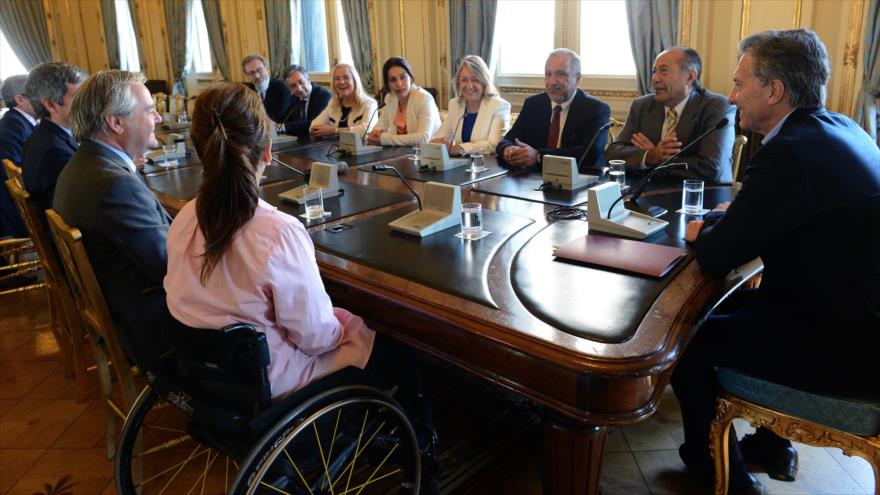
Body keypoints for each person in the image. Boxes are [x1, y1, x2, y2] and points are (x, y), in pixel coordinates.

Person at [674, 29, 880, 495]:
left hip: (841, 347)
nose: (731, 96)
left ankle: (720, 475)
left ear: (774, 90)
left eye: (739, 83)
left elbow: (716, 254)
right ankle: (770, 447)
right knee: (714, 316)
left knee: (685, 344)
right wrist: (736, 218)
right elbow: (790, 219)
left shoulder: (788, 151)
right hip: (854, 319)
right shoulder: (841, 127)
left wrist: (703, 229)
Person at [163, 83, 374, 400]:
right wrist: (347, 326)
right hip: (270, 382)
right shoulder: (278, 233)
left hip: (205, 372)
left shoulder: (183, 218)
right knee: (375, 345)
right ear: (267, 151)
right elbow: (316, 337)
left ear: (198, 149)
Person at [53, 70, 171, 370]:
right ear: (116, 122)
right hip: (152, 328)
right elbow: (172, 267)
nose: (158, 118)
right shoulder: (115, 184)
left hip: (121, 305)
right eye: (149, 110)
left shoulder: (81, 164)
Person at [606, 47, 735, 183]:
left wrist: (658, 160)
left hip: (704, 196)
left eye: (664, 71)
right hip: (649, 192)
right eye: (654, 71)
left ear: (690, 77)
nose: (655, 78)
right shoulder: (641, 106)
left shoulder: (716, 107)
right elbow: (613, 153)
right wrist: (650, 155)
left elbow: (710, 168)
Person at [496, 48, 610, 170]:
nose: (552, 82)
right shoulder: (533, 104)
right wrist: (508, 149)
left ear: (577, 79)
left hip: (579, 179)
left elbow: (590, 154)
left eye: (560, 74)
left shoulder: (596, 109)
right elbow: (508, 139)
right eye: (548, 74)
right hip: (533, 179)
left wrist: (539, 156)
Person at [21, 63, 87, 216]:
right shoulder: (53, 153)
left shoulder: (45, 135)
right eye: (80, 97)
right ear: (51, 105)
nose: (90, 103)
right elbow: (80, 211)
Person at [430, 55, 510, 156]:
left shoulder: (499, 106)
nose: (469, 86)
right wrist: (437, 143)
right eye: (464, 80)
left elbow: (494, 145)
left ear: (484, 82)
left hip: (487, 166)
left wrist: (458, 148)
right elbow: (440, 137)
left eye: (475, 80)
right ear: (459, 83)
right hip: (461, 165)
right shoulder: (455, 104)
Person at [366, 57, 440, 147]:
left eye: (403, 77)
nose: (399, 84)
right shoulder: (390, 98)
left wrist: (384, 139)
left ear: (411, 77)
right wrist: (374, 135)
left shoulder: (424, 98)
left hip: (428, 155)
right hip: (401, 154)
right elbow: (380, 126)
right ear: (387, 84)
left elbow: (423, 138)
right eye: (393, 80)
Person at [0, 75, 37, 239]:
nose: (43, 98)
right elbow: (16, 175)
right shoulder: (12, 127)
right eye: (36, 93)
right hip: (14, 214)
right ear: (20, 99)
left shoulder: (18, 121)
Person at [309, 63, 377, 139]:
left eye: (346, 77)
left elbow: (366, 131)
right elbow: (313, 126)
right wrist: (316, 130)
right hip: (337, 149)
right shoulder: (333, 103)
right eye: (337, 79)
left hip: (363, 149)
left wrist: (334, 131)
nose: (341, 82)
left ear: (355, 81)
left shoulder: (369, 104)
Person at [281, 64, 331, 139]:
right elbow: (286, 118)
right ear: (289, 89)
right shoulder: (295, 97)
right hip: (304, 140)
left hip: (322, 141)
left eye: (301, 82)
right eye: (293, 86)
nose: (299, 88)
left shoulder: (323, 96)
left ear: (308, 79)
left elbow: (313, 125)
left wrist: (283, 127)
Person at [242, 54, 291, 124]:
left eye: (259, 70)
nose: (257, 76)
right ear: (247, 76)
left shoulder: (281, 88)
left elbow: (279, 117)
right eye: (251, 73)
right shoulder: (247, 91)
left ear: (267, 69)